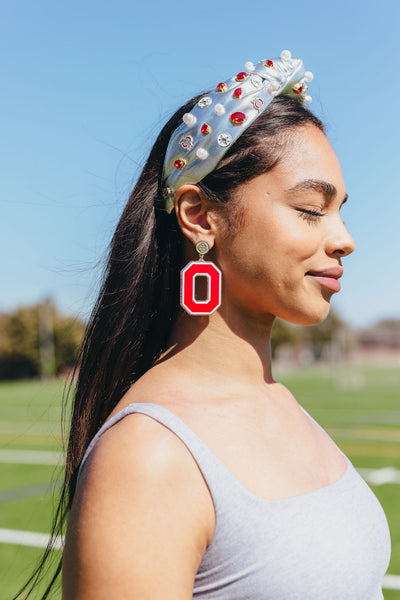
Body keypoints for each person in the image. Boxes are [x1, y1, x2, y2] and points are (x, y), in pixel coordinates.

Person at [17, 51, 391, 600]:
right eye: (312, 208)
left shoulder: (277, 399)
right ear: (198, 215)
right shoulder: (148, 456)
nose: (344, 239)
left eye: (340, 210)